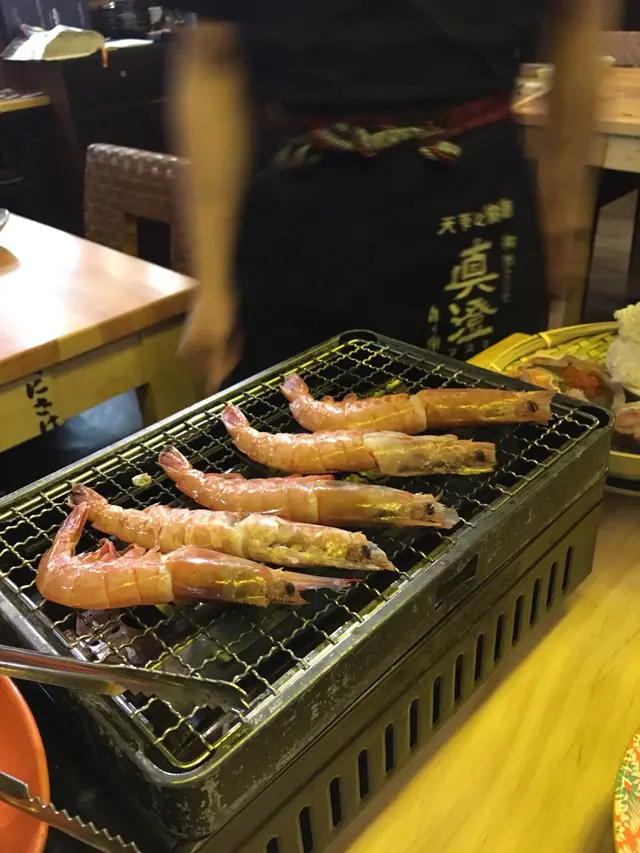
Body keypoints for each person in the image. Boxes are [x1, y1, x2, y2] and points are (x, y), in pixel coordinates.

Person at [172, 0, 614, 391]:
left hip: (473, 208)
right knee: (286, 430)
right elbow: (213, 59)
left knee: (492, 424)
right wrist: (212, 284)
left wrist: (564, 214)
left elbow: (575, 19)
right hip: (297, 212)